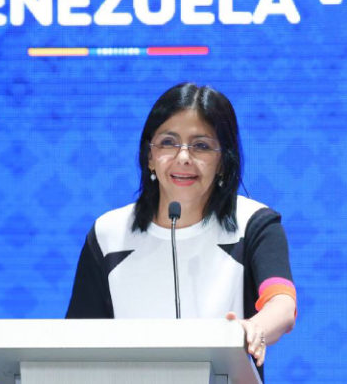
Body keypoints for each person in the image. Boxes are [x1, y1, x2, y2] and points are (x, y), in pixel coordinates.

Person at [66, 82, 296, 370]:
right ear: (149, 156)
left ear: (223, 161)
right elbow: (76, 342)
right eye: (168, 143)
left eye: (201, 146)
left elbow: (282, 303)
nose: (184, 157)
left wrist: (255, 328)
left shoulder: (253, 224)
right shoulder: (108, 233)